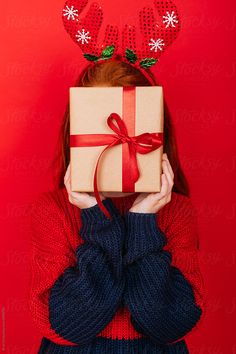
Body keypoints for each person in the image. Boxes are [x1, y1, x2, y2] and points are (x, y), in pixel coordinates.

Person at [29, 59, 205, 353]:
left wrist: (143, 220)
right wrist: (96, 218)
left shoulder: (177, 212)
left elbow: (168, 325)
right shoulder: (54, 212)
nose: (116, 145)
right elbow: (71, 325)